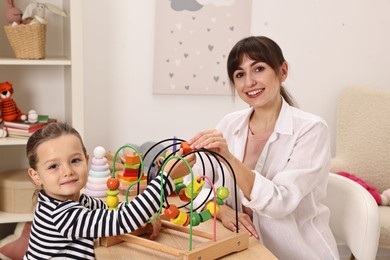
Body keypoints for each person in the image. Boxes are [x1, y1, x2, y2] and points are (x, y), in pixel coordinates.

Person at [186, 36, 339, 259]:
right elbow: (195, 183)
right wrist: (220, 210)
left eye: (258, 69)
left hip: (293, 252)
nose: (249, 82)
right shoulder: (230, 124)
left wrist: (229, 158)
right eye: (239, 75)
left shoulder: (312, 129)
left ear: (282, 71)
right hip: (239, 246)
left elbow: (280, 202)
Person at [24, 122, 195, 259]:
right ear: (36, 176)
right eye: (53, 166)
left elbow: (112, 212)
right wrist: (166, 177)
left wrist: (144, 216)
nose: (67, 171)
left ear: (87, 160)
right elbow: (123, 219)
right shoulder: (60, 215)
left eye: (75, 160)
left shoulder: (78, 200)